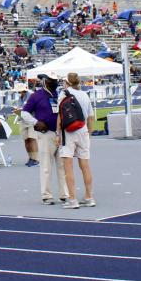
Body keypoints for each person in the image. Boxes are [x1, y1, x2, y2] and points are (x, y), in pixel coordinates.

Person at [57, 72, 95, 208]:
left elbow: (60, 117)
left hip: (69, 132)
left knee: (68, 167)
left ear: (67, 82)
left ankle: (72, 199)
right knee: (85, 166)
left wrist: (58, 135)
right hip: (83, 130)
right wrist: (89, 133)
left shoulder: (64, 95)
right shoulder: (85, 95)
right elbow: (91, 117)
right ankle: (89, 197)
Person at [28, 77, 63, 204]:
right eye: (51, 80)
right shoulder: (36, 96)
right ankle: (47, 195)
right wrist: (36, 122)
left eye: (55, 80)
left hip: (60, 133)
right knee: (46, 166)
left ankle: (64, 193)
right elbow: (25, 113)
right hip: (45, 133)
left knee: (63, 165)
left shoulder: (59, 93)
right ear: (44, 82)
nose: (54, 83)